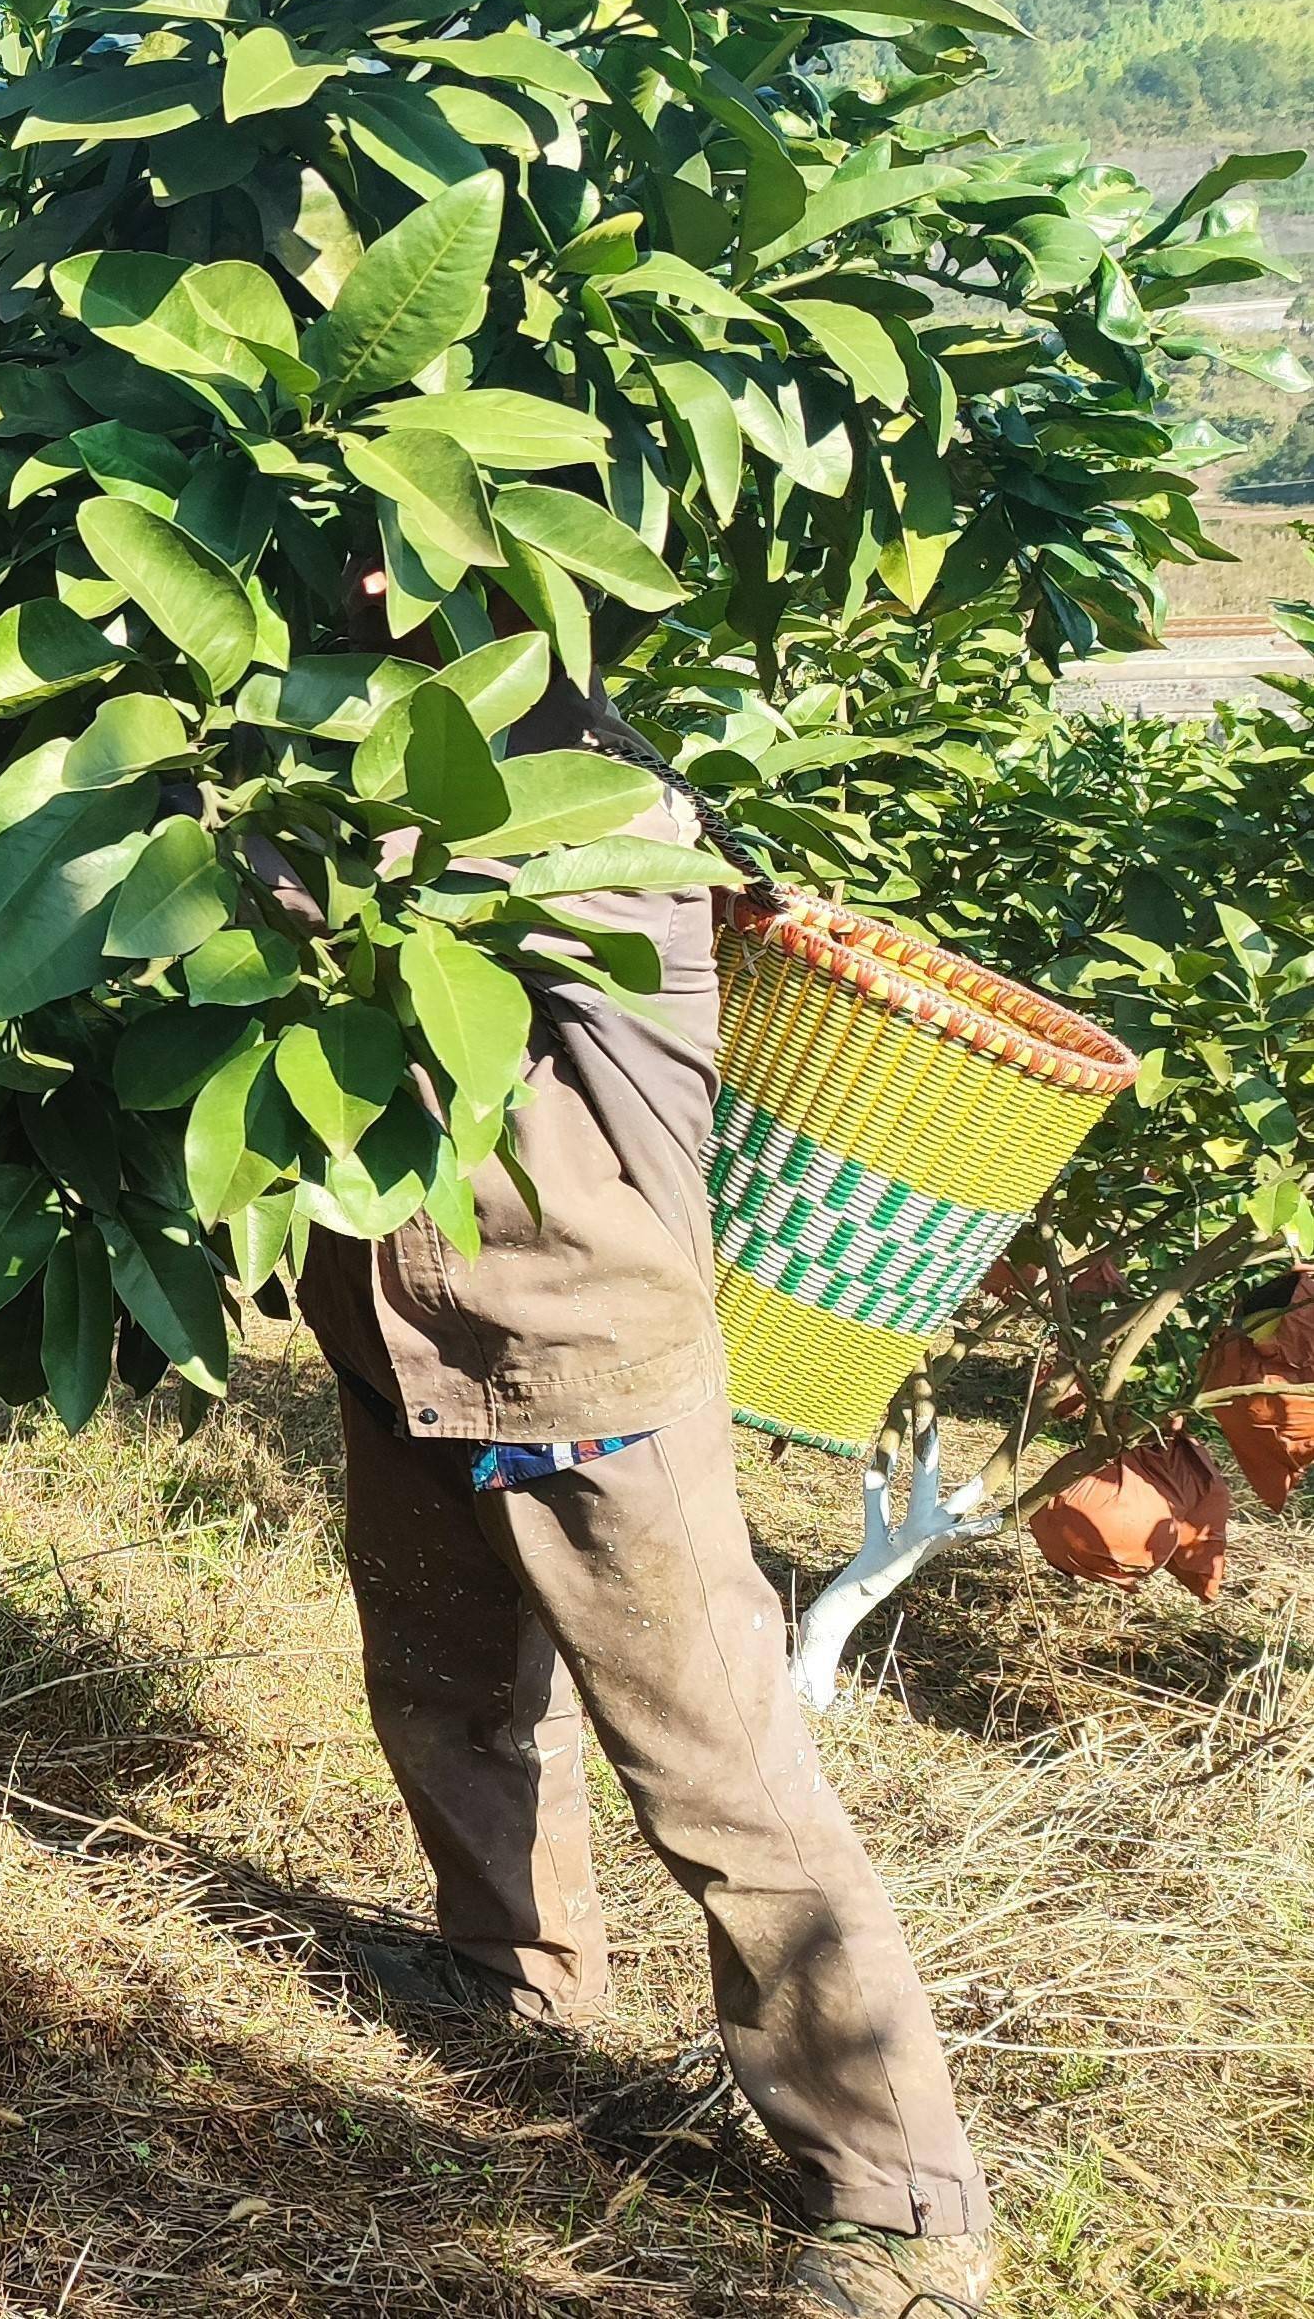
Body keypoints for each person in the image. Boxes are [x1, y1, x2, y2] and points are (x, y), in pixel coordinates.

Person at [303, 668, 993, 2319]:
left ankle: (903, 2197)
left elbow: (363, 891)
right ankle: (509, 1965)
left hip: (580, 1348)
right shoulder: (351, 745)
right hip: (395, 1321)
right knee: (446, 1676)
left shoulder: (590, 804)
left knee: (718, 1768)